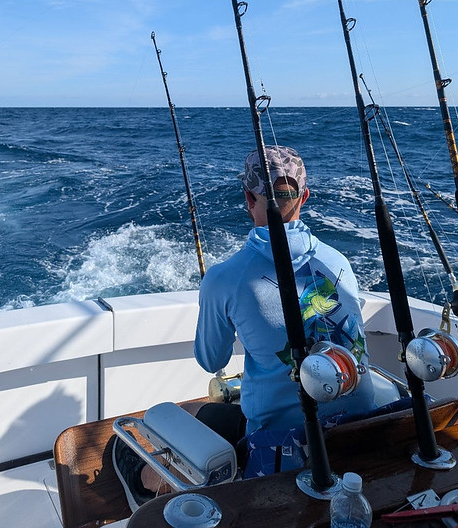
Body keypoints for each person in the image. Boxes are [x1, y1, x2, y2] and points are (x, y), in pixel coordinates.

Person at [113, 145, 375, 509]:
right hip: (363, 429)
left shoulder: (225, 278)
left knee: (188, 417)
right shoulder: (339, 262)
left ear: (249, 199)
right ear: (305, 197)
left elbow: (210, 359)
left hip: (284, 443)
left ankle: (143, 485)